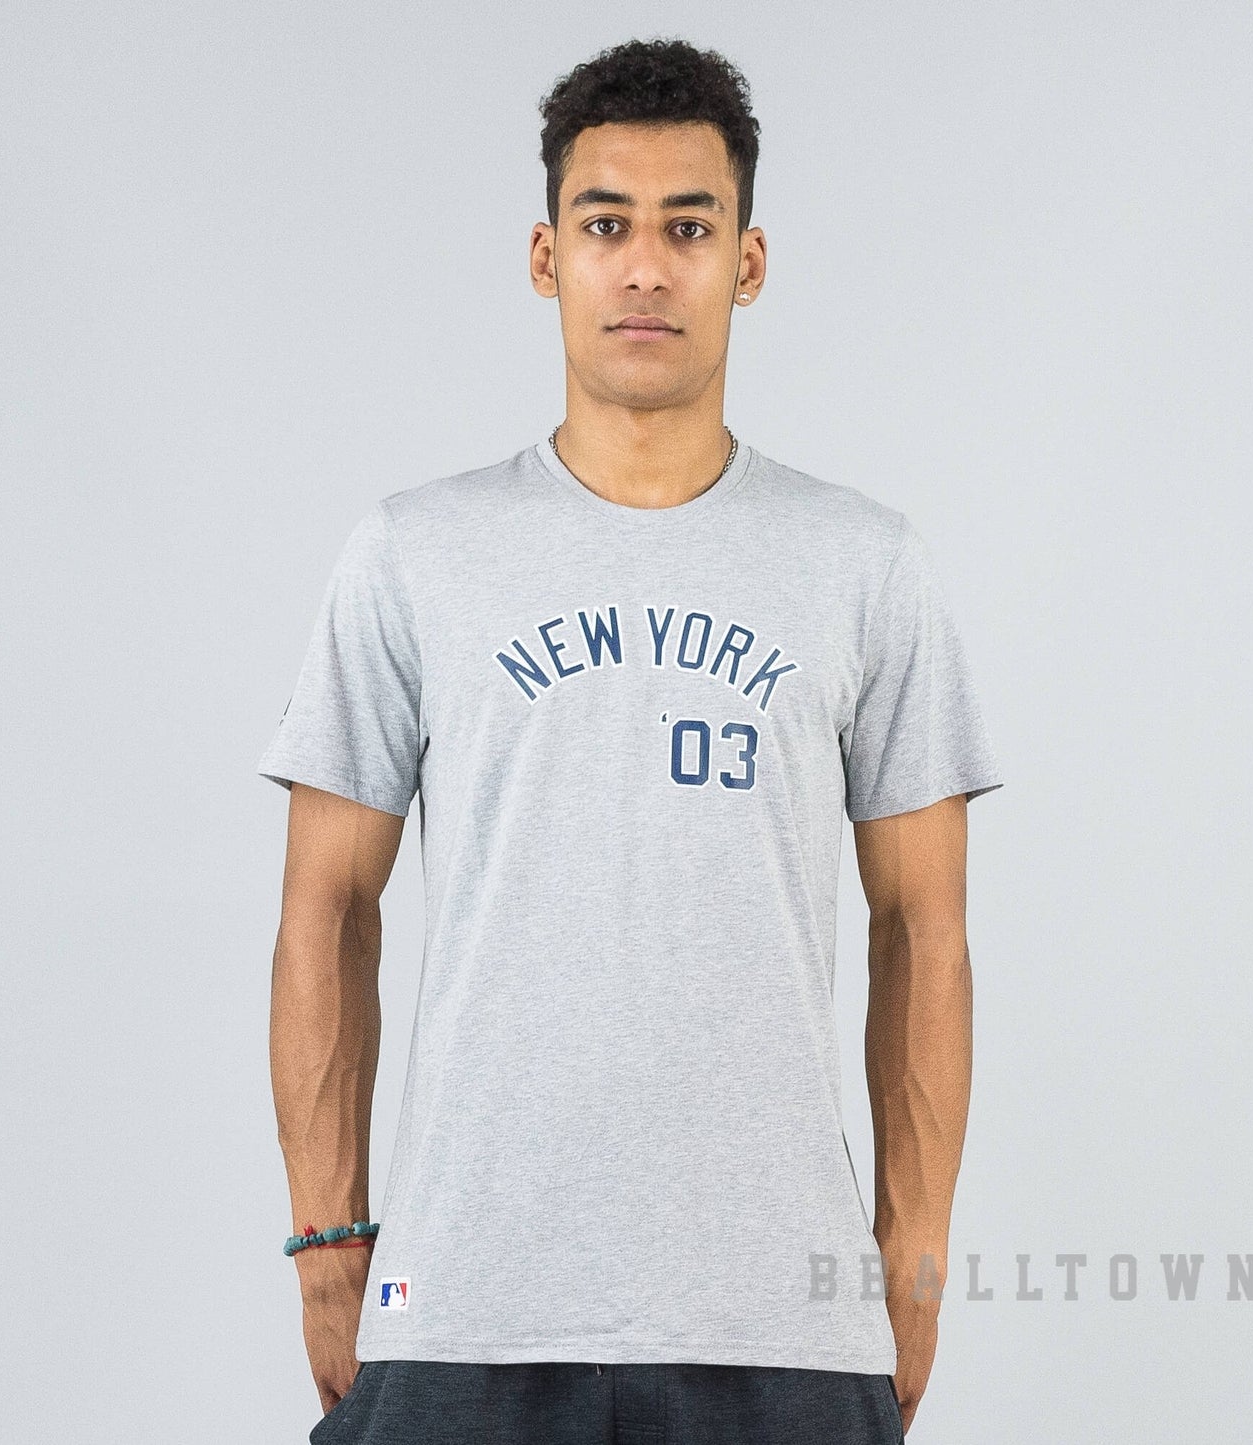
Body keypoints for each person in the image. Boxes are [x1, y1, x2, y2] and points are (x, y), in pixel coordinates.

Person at [260, 35, 1003, 1445]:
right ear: (547, 258)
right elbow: (326, 907)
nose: (646, 267)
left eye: (688, 227)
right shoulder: (416, 553)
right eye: (606, 226)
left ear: (748, 261)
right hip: (463, 1311)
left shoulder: (863, 564)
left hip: (781, 1326)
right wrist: (326, 1234)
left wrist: (910, 1256)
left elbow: (925, 928)